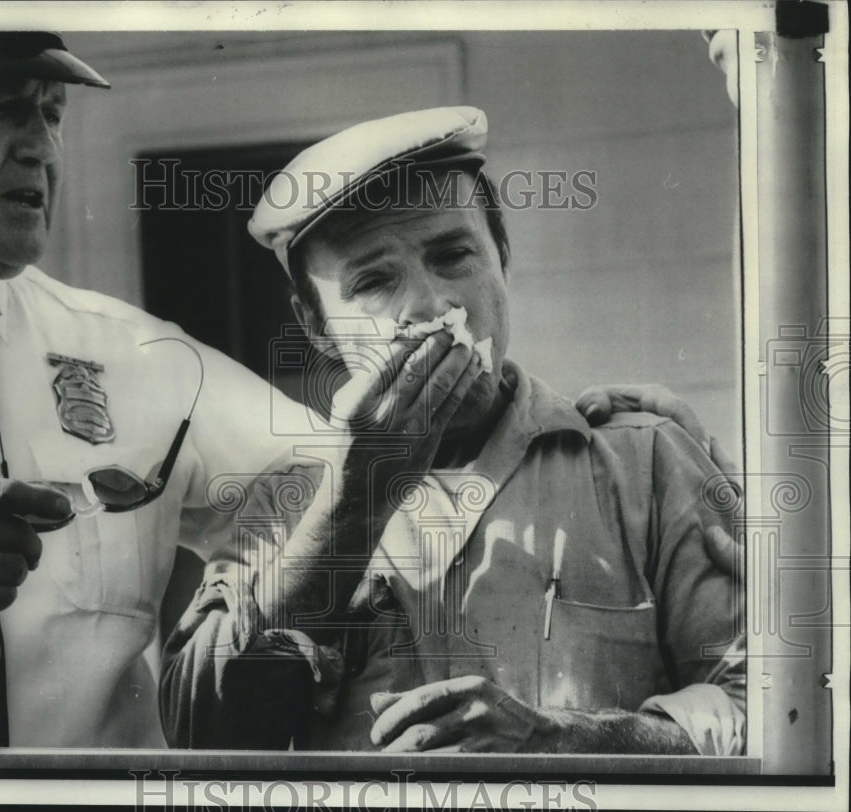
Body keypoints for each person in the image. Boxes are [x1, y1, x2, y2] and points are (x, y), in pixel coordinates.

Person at [160, 106, 745, 754]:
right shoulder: (275, 505)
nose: (432, 305)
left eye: (452, 255)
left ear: (503, 257)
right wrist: (356, 503)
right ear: (316, 326)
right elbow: (201, 738)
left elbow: (769, 711)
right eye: (375, 281)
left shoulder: (645, 465)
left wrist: (558, 740)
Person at [0, 31, 301, 747]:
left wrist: (235, 643)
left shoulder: (137, 356)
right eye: (2, 110)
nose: (41, 147)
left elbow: (336, 486)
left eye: (52, 113)